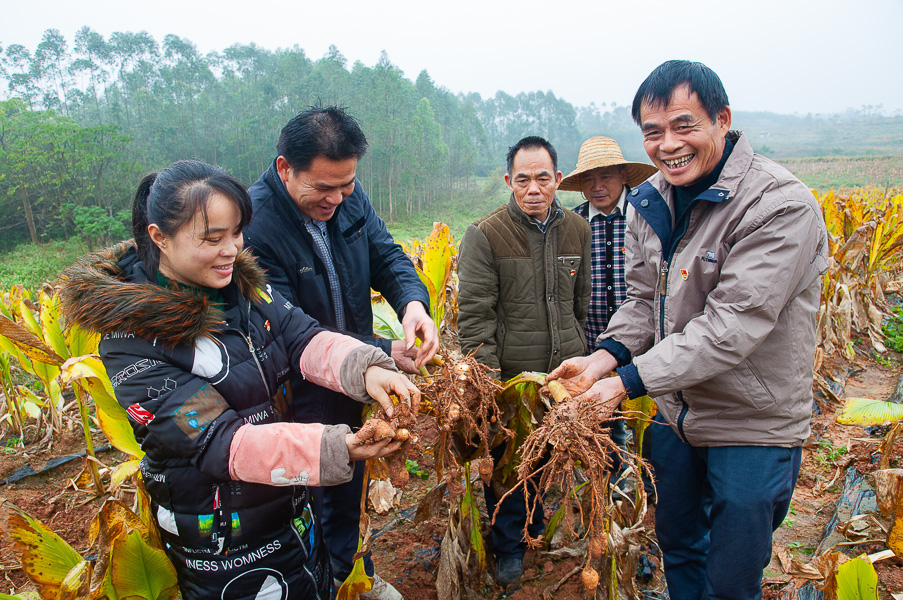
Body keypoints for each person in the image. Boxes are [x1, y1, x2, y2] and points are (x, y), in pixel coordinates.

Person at [59, 160, 419, 600]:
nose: (232, 249)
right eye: (213, 238)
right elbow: (221, 443)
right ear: (160, 238)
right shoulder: (134, 343)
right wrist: (335, 448)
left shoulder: (245, 288)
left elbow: (302, 337)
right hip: (225, 545)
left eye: (236, 233)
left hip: (288, 508)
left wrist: (367, 366)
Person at [549, 61, 828, 600]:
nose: (668, 144)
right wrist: (602, 357)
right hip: (679, 416)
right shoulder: (651, 199)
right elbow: (640, 300)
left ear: (722, 120)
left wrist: (625, 383)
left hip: (752, 422)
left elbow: (731, 327)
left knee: (731, 578)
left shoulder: (778, 205)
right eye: (653, 132)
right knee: (678, 546)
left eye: (684, 126)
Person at [244, 106, 437, 600]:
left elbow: (385, 254)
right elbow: (291, 330)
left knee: (347, 482)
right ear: (285, 168)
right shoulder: (255, 224)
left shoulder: (347, 196)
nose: (336, 198)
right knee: (309, 495)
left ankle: (355, 579)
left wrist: (413, 304)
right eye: (323, 188)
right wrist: (380, 352)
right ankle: (323, 584)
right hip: (297, 386)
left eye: (347, 184)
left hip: (354, 373)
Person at [457, 136, 591, 587]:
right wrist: (490, 392)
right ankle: (508, 545)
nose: (533, 188)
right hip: (514, 383)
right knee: (510, 465)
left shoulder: (577, 229)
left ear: (557, 179)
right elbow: (476, 319)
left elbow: (580, 305)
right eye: (522, 179)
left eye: (542, 178)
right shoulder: (485, 234)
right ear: (508, 181)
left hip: (562, 380)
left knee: (549, 459)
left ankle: (534, 530)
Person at [560, 136, 658, 490]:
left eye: (606, 177)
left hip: (645, 340)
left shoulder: (647, 215)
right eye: (589, 180)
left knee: (649, 415)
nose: (598, 187)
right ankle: (610, 482)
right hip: (593, 341)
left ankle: (651, 486)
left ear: (623, 176)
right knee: (604, 414)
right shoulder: (572, 225)